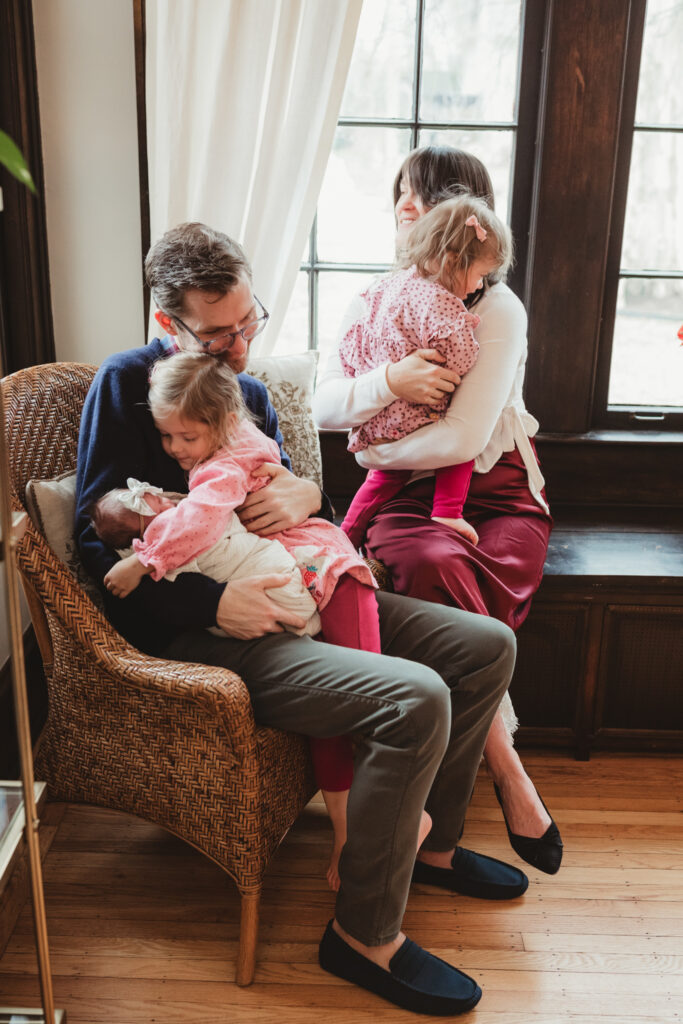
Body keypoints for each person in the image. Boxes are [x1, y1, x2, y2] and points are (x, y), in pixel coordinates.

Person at [75, 221, 528, 1015]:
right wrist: (214, 601)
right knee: (413, 696)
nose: (241, 348)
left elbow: (287, 497)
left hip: (291, 584)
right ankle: (362, 932)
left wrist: (307, 493)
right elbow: (93, 541)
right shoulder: (124, 386)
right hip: (207, 632)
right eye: (217, 336)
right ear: (166, 327)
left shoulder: (247, 396)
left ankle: (435, 846)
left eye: (250, 323)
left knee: (483, 647)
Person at [312, 146, 562, 876]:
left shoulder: (497, 308)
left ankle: (445, 825)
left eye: (424, 199)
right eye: (401, 200)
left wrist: (369, 454)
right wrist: (389, 379)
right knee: (428, 562)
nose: (406, 212)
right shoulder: (374, 298)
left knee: (452, 571)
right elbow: (325, 403)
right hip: (409, 495)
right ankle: (495, 781)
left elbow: (464, 435)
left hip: (492, 484)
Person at [339, 193, 511, 551]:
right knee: (460, 449)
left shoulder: (393, 284)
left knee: (379, 482)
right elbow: (459, 357)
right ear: (452, 261)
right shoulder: (441, 302)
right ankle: (448, 510)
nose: (479, 286)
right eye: (479, 275)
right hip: (412, 413)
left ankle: (343, 539)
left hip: (378, 414)